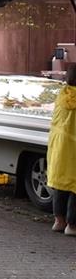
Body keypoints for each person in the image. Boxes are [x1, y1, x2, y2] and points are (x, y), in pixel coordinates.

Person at [47, 63, 76, 236]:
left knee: (61, 184)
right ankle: (72, 225)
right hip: (73, 148)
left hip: (59, 146)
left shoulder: (61, 95)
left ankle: (59, 221)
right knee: (74, 186)